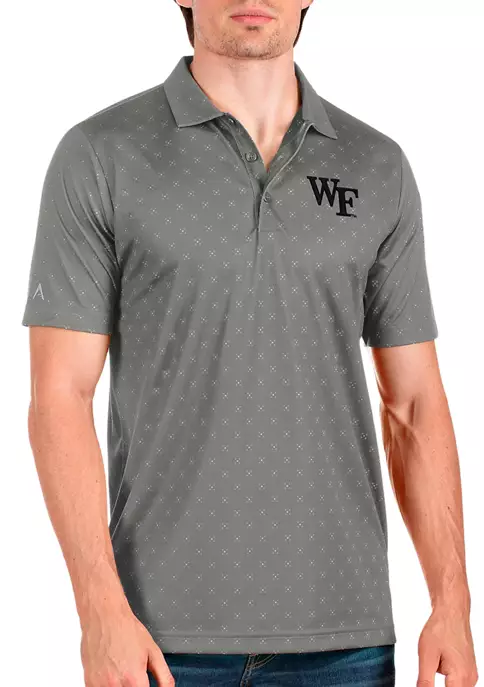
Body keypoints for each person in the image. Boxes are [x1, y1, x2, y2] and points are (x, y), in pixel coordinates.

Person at [21, 0, 478, 685]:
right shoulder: (102, 154)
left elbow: (414, 403)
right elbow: (59, 395)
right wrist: (98, 610)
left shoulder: (377, 165)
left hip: (346, 642)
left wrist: (453, 601)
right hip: (157, 639)